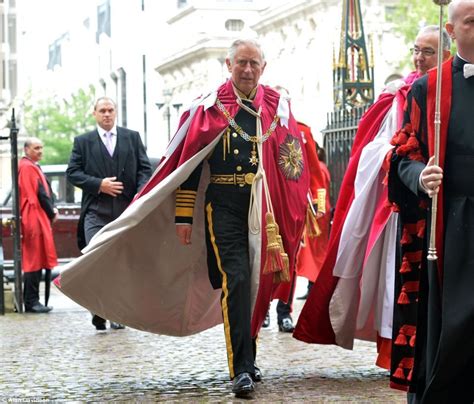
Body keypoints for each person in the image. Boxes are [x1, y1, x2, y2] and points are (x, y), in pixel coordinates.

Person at [55, 38, 322, 397]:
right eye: (240, 62)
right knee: (237, 278)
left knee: (257, 285)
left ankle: (250, 353)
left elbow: (291, 161)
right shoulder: (209, 108)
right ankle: (240, 368)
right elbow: (188, 165)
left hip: (264, 209)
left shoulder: (277, 106)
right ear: (228, 65)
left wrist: (294, 208)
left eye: (253, 64)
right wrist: (183, 218)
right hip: (223, 205)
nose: (247, 70)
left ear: (263, 67)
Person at [294, 25, 451, 371]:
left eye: (428, 52)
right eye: (416, 50)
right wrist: (398, 157)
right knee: (404, 279)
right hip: (405, 203)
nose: (419, 58)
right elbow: (372, 148)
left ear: (446, 55)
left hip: (450, 203)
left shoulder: (454, 89)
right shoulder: (398, 96)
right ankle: (402, 352)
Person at [387, 1, 474, 401]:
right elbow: (404, 155)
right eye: (472, 21)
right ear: (452, 31)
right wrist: (421, 175)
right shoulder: (428, 87)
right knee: (454, 322)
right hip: (451, 221)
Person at [66, 96, 152, 331]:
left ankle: (115, 312)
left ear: (116, 113)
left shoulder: (132, 138)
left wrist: (140, 195)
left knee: (120, 263)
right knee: (97, 259)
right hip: (96, 211)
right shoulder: (82, 142)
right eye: (102, 110)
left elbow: (145, 169)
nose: (106, 114)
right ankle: (97, 307)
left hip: (126, 212)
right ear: (94, 113)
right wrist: (98, 184)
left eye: (110, 110)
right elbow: (72, 173)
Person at [18, 137, 58, 313]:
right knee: (34, 259)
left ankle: (32, 300)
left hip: (35, 215)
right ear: (26, 150)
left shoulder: (29, 166)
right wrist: (52, 212)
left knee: (35, 258)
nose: (40, 151)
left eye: (41, 147)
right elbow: (40, 193)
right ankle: (31, 301)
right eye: (36, 148)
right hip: (34, 216)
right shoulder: (28, 167)